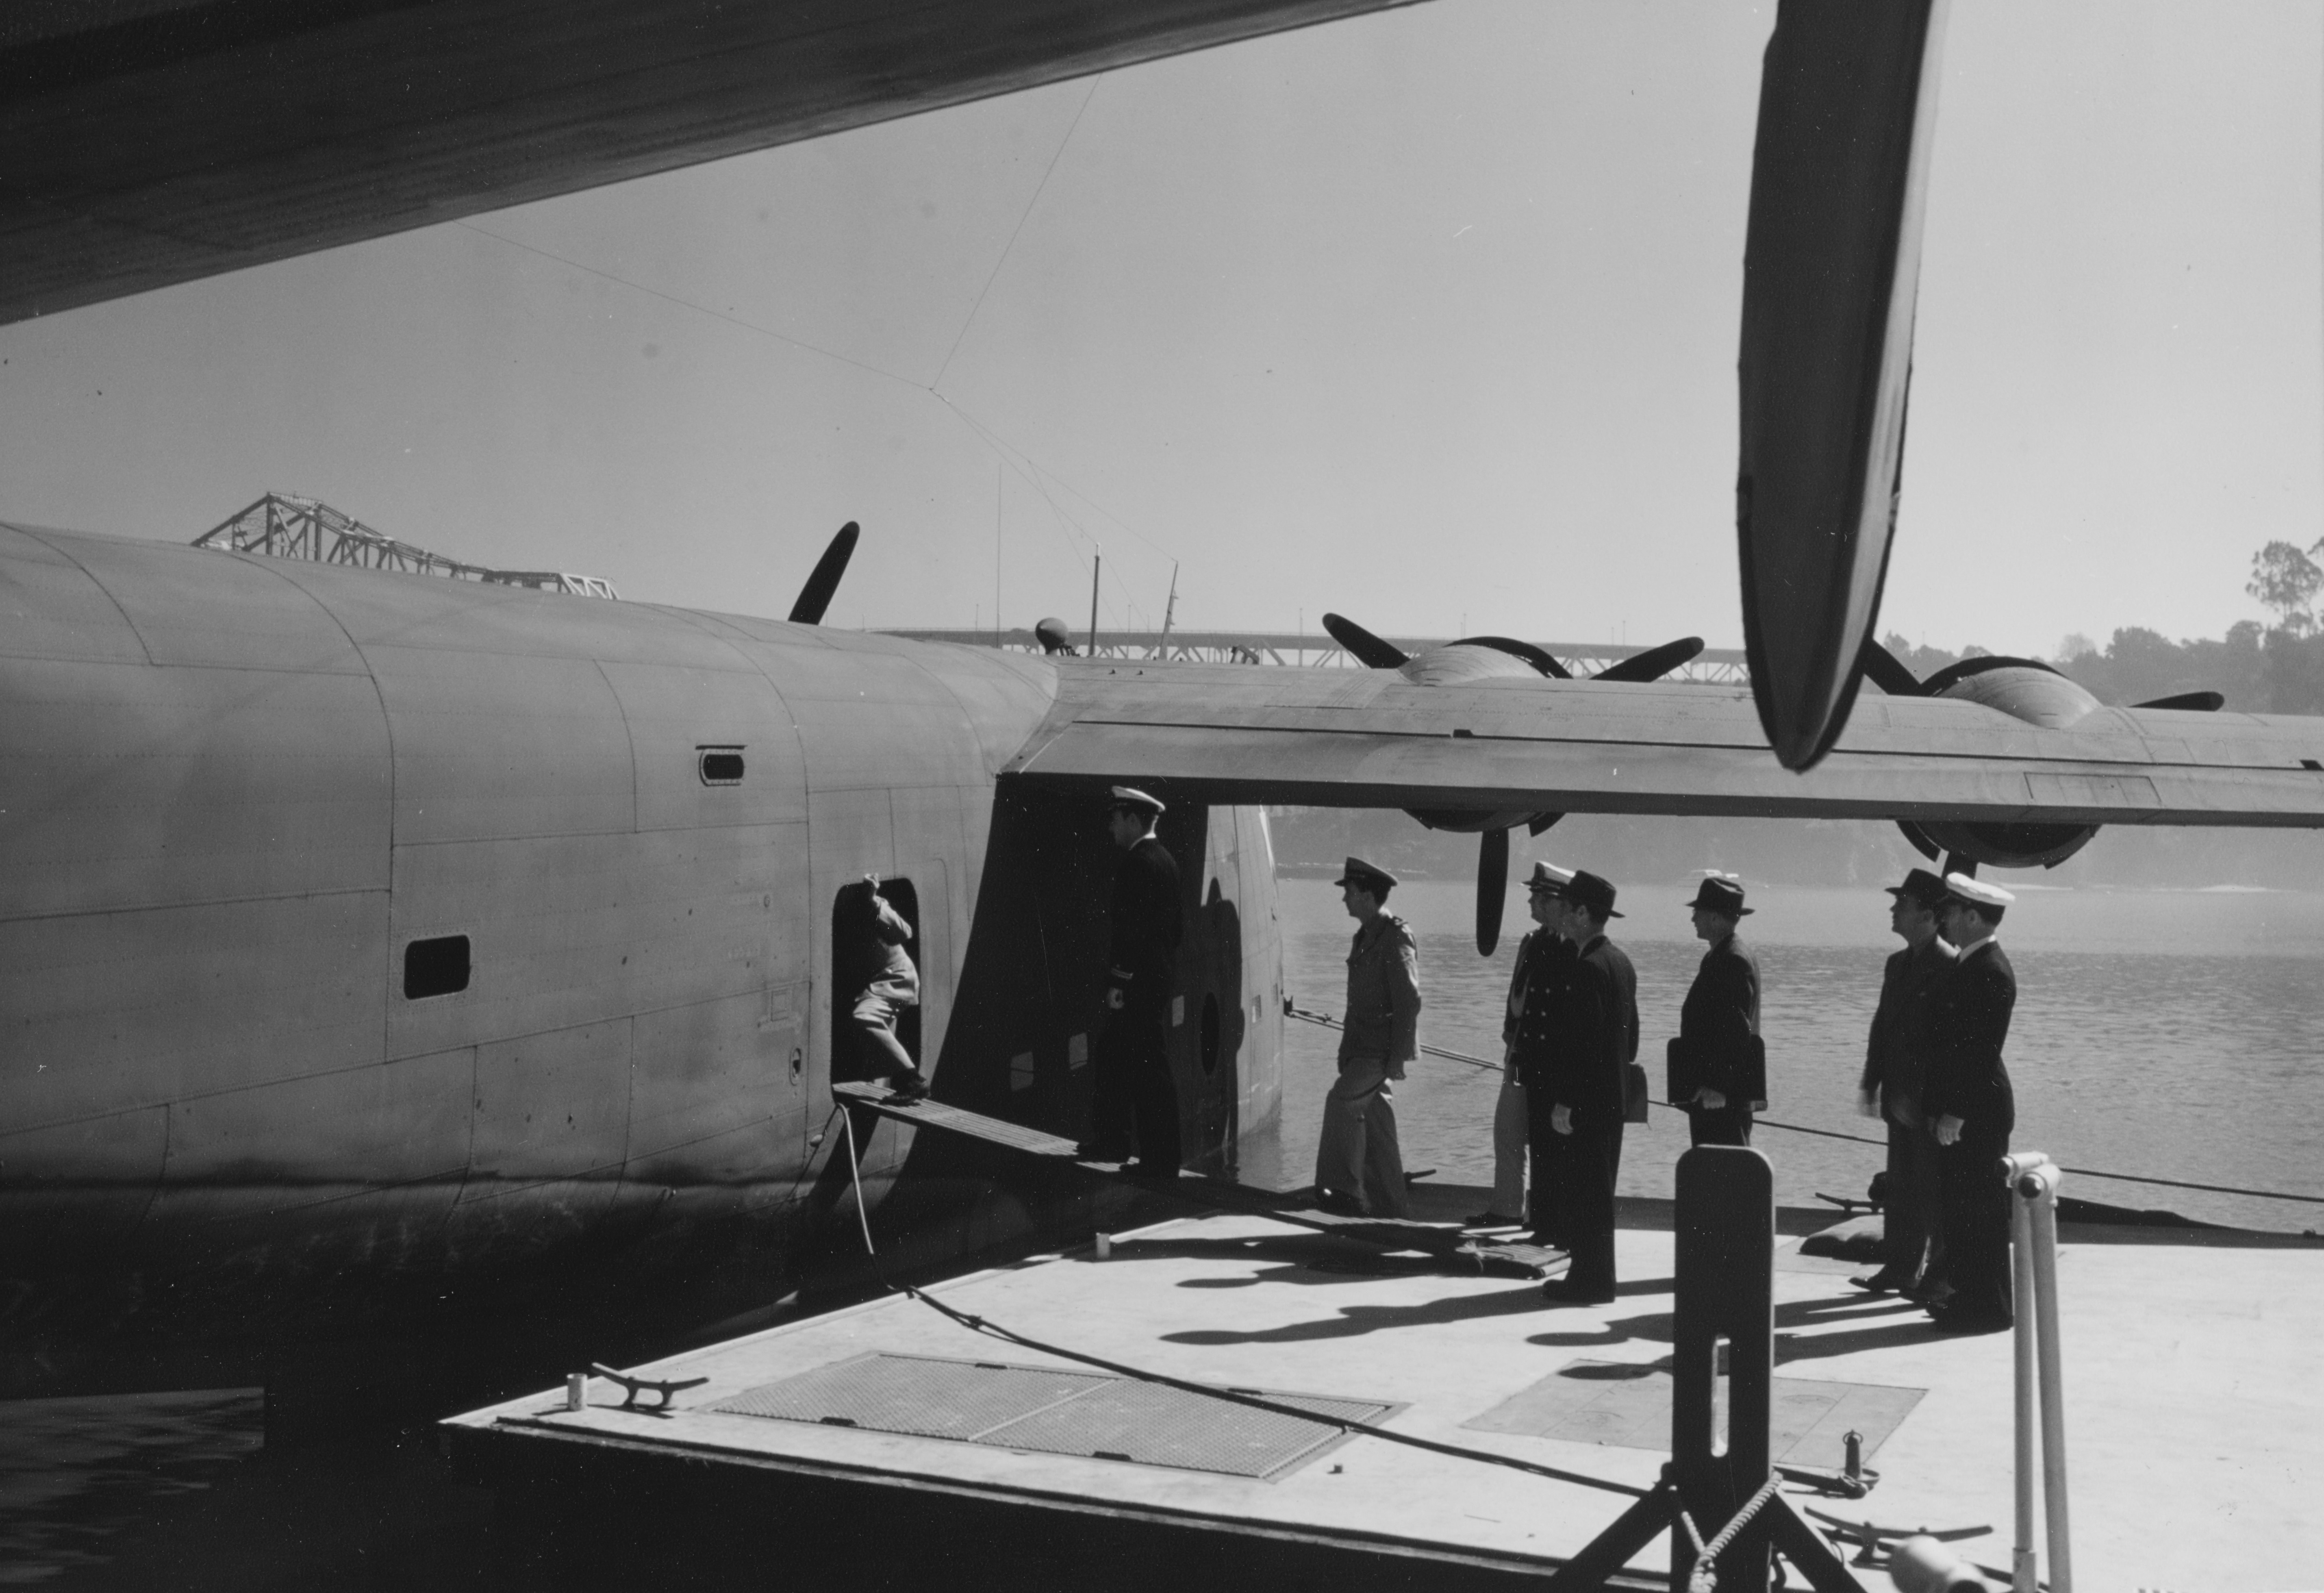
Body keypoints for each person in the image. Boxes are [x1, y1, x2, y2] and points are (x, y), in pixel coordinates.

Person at [1527, 869, 1636, 1304]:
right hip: (1612, 1097)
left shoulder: (1587, 968)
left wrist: (1566, 1101)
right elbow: (1629, 1039)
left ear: (1586, 913)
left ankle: (1589, 1281)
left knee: (1585, 1194)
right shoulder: (1620, 963)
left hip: (1586, 1101)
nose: (1563, 914)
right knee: (1597, 1193)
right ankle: (1595, 1277)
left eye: (1571, 908)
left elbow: (1581, 1044)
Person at [1852, 867, 1956, 1297]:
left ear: (1930, 916)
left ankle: (1938, 1278)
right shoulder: (1897, 963)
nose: (1894, 910)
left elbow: (1951, 1044)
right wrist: (1871, 1081)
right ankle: (1900, 1269)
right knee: (1901, 1188)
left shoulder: (1950, 965)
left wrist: (1940, 1103)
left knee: (1937, 1191)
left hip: (1928, 1103)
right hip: (1899, 1098)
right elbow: (1883, 1027)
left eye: (1904, 904)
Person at [1921, 872, 2018, 1333]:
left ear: (1974, 917)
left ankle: (1989, 1308)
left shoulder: (1991, 970)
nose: (1945, 919)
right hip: (1966, 1107)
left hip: (1977, 1110)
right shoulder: (1970, 963)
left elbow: (1981, 1052)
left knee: (1980, 1212)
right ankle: (1969, 1299)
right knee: (1962, 1210)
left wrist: (1956, 1112)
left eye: (1953, 912)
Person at [1081, 786, 1184, 1179]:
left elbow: (1129, 933)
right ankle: (1114, 1142)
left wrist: (1120, 981)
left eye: (1115, 818)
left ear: (1132, 820)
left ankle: (1158, 1160)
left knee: (1146, 1070)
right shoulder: (1166, 861)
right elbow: (1173, 932)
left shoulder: (1137, 864)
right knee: (1117, 1057)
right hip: (1154, 979)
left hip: (1137, 983)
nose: (1110, 826)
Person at [1472, 861, 1575, 1231]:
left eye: (1537, 895)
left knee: (1549, 1143)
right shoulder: (1534, 942)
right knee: (1508, 1131)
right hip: (1519, 1054)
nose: (1530, 901)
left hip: (1545, 1061)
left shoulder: (1570, 949)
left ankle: (1544, 1216)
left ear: (1556, 901)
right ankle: (1507, 1207)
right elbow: (1517, 997)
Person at [1315, 856, 1418, 1218]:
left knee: (1342, 1103)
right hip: (1362, 1048)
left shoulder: (1394, 936)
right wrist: (1346, 1048)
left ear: (1369, 896)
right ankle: (1390, 1204)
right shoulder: (1366, 935)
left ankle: (1342, 1192)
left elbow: (1409, 999)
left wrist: (1398, 1057)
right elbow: (1356, 1000)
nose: (1345, 899)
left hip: (1379, 1051)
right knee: (1377, 1126)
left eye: (1350, 892)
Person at [1675, 874, 1763, 1147]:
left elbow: (1737, 1032)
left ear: (1714, 918)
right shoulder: (1720, 955)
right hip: (1712, 1095)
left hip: (1722, 1098)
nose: (1693, 919)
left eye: (1697, 912)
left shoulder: (1733, 960)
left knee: (1725, 1176)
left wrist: (1719, 1086)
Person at [843, 875, 927, 1099]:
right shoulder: (849, 916)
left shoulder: (875, 906)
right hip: (882, 983)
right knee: (880, 1051)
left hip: (896, 980)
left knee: (865, 1018)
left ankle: (913, 1081)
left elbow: (905, 932)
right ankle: (894, 1091)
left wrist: (873, 901)